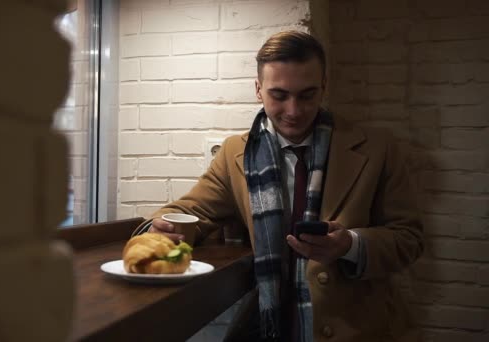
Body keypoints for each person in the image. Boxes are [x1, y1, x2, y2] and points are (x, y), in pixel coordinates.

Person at [132, 31, 424, 342]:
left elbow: (410, 239)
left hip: (358, 327)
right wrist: (159, 230)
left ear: (324, 86)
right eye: (279, 95)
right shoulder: (235, 154)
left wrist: (349, 245)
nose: (294, 111)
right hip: (271, 325)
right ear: (258, 90)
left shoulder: (378, 148)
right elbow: (189, 211)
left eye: (307, 95)